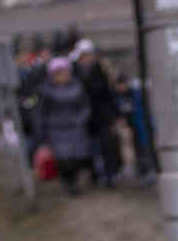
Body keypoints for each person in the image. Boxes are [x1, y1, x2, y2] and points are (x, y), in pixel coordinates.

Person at [34, 56, 95, 194]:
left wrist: (81, 118)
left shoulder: (77, 87)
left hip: (76, 128)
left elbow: (85, 105)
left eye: (65, 72)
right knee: (63, 159)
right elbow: (41, 112)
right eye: (59, 72)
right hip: (57, 130)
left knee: (77, 157)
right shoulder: (46, 91)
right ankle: (69, 183)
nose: (63, 75)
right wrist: (42, 132)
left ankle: (74, 179)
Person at [71, 40, 122, 187]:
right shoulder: (75, 72)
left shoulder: (100, 70)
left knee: (107, 146)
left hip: (102, 116)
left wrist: (115, 115)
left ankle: (109, 174)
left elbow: (108, 94)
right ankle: (95, 174)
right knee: (90, 148)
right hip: (83, 118)